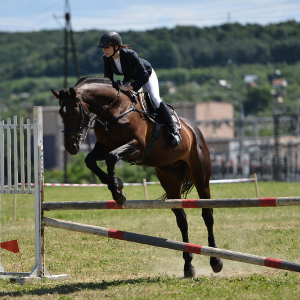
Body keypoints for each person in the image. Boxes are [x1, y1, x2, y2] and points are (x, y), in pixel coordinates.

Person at [98, 31, 182, 147]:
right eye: (103, 48)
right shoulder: (107, 59)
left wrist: (129, 87)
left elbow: (144, 76)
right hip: (130, 77)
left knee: (155, 99)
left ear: (116, 47)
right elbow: (108, 80)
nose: (104, 50)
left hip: (146, 75)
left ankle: (174, 131)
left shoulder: (130, 54)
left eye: (107, 47)